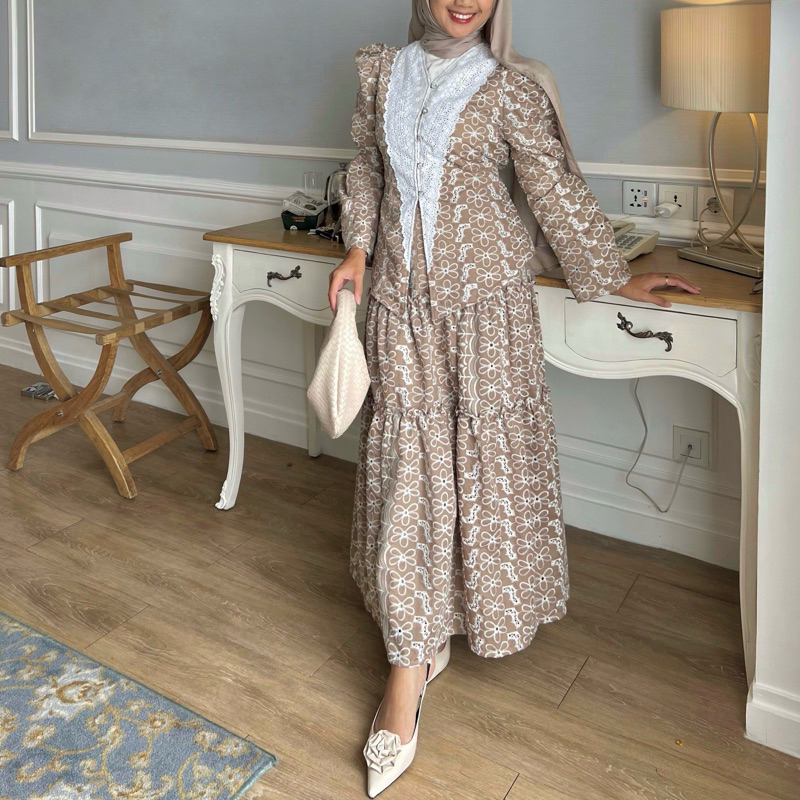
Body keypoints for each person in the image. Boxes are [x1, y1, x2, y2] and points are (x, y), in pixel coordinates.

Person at [328, 1, 700, 795]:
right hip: (399, 305)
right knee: (408, 474)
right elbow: (365, 166)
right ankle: (409, 661)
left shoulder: (511, 87)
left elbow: (552, 190)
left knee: (476, 475)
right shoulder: (380, 72)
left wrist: (614, 276)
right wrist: (356, 250)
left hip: (488, 311)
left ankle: (442, 631)